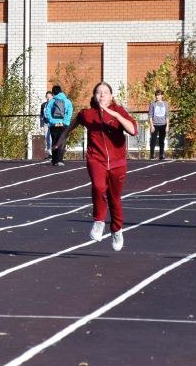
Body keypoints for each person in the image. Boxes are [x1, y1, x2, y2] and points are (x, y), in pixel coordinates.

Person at [54, 81, 138, 251]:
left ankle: (116, 230)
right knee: (99, 187)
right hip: (96, 159)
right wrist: (59, 141)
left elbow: (133, 130)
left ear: (111, 96)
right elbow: (72, 125)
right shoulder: (88, 114)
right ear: (94, 96)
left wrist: (114, 115)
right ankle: (99, 221)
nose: (102, 95)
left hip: (117, 162)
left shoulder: (118, 111)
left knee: (115, 198)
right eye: (98, 92)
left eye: (105, 92)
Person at [45, 84, 73, 166]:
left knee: (54, 141)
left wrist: (53, 121)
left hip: (54, 125)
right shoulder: (67, 101)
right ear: (61, 91)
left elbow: (47, 112)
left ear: (53, 93)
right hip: (63, 124)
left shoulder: (52, 101)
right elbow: (69, 112)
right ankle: (60, 160)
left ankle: (54, 160)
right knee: (62, 142)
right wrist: (64, 122)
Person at [148, 89, 169, 160]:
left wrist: (167, 126)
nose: (157, 96)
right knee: (153, 140)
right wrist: (151, 126)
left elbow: (167, 115)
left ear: (162, 96)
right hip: (155, 125)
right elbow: (150, 115)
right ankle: (152, 155)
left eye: (159, 95)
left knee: (161, 141)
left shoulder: (165, 104)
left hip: (163, 125)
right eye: (156, 95)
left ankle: (161, 155)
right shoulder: (152, 104)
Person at [39, 90, 54, 161]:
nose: (48, 98)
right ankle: (50, 154)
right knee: (47, 138)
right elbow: (41, 115)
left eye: (49, 97)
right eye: (47, 97)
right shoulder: (43, 105)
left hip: (52, 123)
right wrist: (41, 124)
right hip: (45, 123)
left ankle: (54, 153)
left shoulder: (54, 104)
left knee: (52, 138)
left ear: (52, 97)